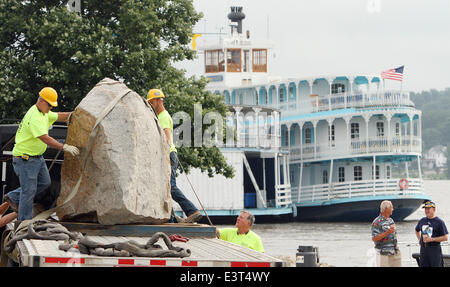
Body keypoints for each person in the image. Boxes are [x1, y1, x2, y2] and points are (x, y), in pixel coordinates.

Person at [4, 87, 79, 221]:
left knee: (45, 182)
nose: (51, 108)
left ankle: (14, 197)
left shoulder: (44, 113)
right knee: (28, 192)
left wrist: (77, 114)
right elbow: (45, 138)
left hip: (37, 158)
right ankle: (23, 223)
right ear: (42, 101)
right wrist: (64, 147)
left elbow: (59, 116)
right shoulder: (34, 117)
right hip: (25, 159)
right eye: (50, 105)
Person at [147, 89, 202, 223]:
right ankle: (171, 218)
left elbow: (167, 137)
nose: (151, 105)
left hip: (168, 154)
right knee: (163, 188)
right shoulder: (159, 116)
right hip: (166, 155)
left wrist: (164, 155)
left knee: (170, 187)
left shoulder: (163, 116)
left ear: (159, 101)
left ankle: (191, 210)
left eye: (152, 102)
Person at [415, 201, 448, 267]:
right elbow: (416, 230)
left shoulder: (439, 222)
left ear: (434, 209)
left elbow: (445, 237)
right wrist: (419, 240)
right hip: (423, 249)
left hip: (434, 249)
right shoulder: (422, 220)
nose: (426, 211)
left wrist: (432, 239)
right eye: (425, 209)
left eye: (428, 209)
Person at [371, 200, 401, 267]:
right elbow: (374, 238)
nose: (393, 209)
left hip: (395, 252)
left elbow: (394, 234)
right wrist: (387, 232)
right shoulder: (377, 222)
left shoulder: (391, 220)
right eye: (391, 207)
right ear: (386, 209)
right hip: (383, 253)